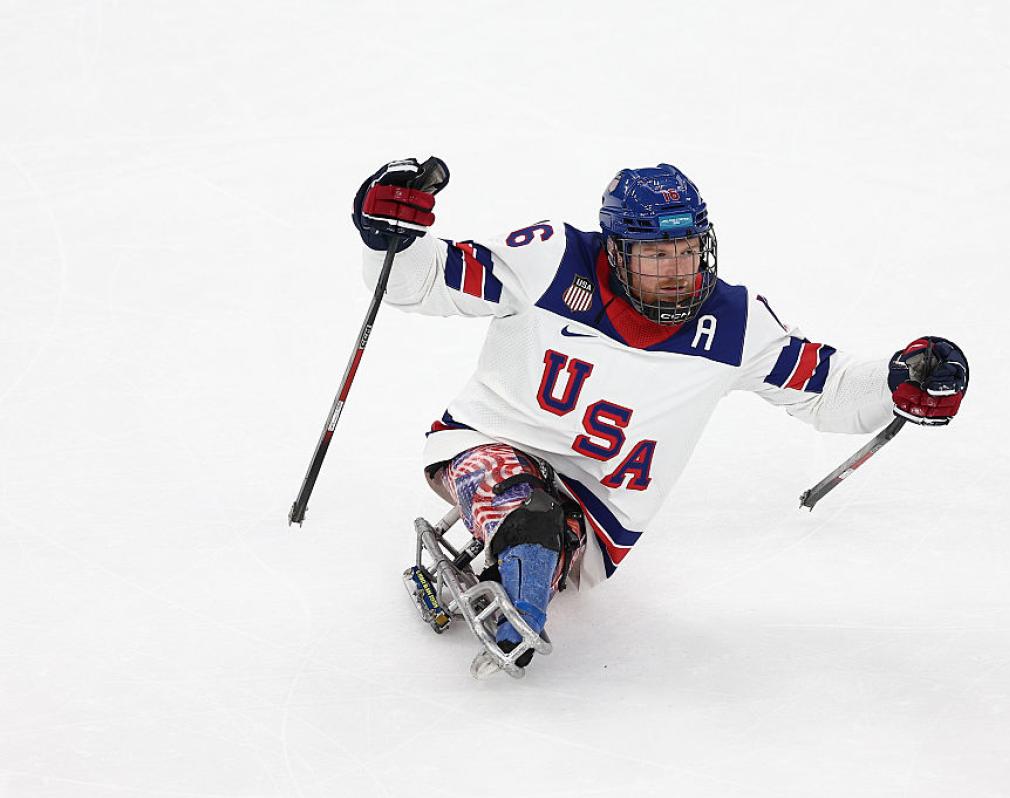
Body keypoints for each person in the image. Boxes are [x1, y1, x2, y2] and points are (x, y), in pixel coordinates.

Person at [351, 157, 969, 667]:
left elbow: (829, 388)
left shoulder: (735, 325)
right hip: (485, 444)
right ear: (616, 250)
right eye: (654, 255)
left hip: (597, 512)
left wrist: (897, 383)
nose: (676, 273)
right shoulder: (550, 259)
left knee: (541, 530)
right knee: (525, 516)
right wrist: (392, 242)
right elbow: (428, 281)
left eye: (687, 250)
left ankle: (523, 576)